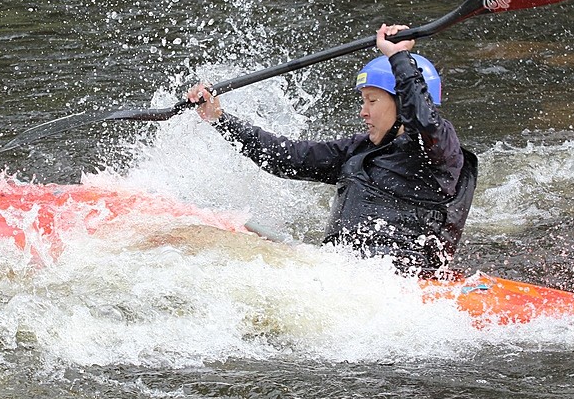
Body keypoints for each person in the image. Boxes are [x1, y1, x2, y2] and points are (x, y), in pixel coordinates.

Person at [186, 24, 477, 275]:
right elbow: (285, 157)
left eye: (372, 101)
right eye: (363, 101)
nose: (363, 112)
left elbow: (424, 119)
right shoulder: (358, 149)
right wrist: (219, 119)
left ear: (402, 103)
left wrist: (398, 56)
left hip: (399, 278)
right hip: (340, 271)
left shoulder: (440, 151)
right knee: (209, 236)